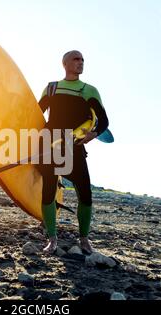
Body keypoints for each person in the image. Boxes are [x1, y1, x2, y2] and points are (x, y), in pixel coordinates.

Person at [37, 50, 109, 255]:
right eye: (76, 59)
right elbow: (34, 114)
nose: (81, 63)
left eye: (83, 60)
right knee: (48, 190)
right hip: (51, 144)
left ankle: (84, 239)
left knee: (85, 193)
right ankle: (52, 239)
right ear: (65, 63)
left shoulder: (89, 90)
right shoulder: (52, 88)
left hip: (74, 146)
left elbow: (104, 121)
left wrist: (93, 134)